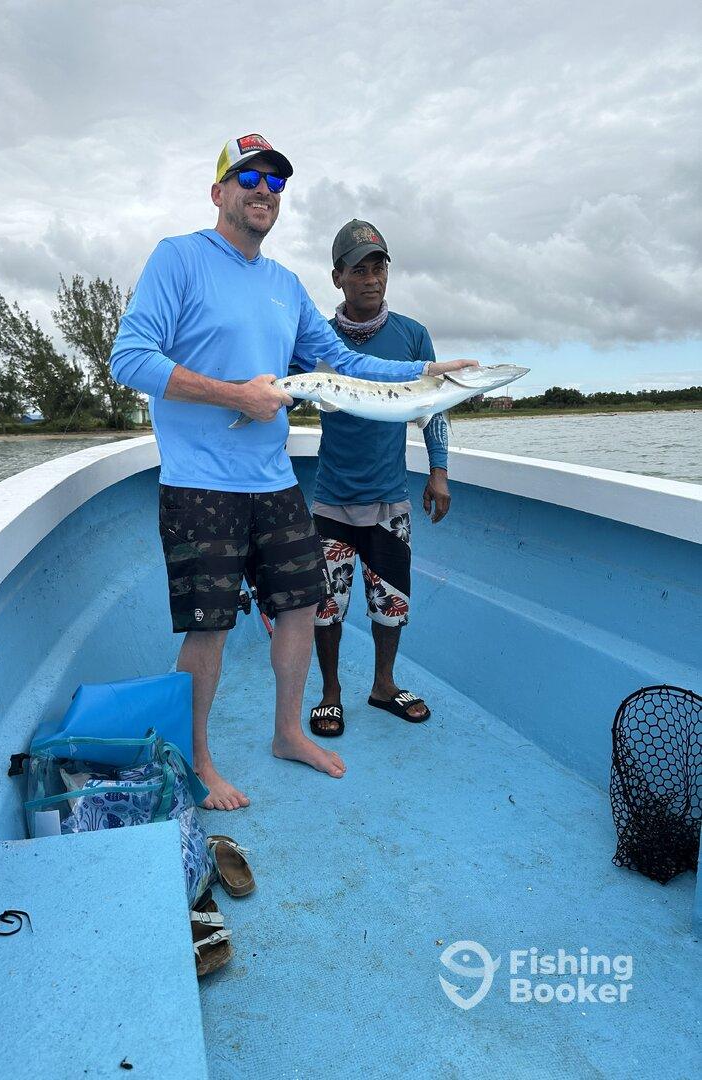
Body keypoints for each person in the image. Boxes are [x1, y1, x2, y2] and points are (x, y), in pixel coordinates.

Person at [109, 135, 476, 810]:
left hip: (274, 482)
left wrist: (424, 372)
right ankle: (201, 761)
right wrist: (235, 395)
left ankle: (286, 733)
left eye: (276, 183)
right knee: (211, 626)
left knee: (301, 607)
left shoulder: (284, 286)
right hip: (201, 484)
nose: (263, 190)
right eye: (248, 176)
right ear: (219, 190)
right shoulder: (180, 258)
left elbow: (342, 363)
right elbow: (128, 359)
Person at [306, 220, 454, 737]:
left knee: (391, 601)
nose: (371, 279)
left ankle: (383, 685)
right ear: (337, 277)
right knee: (326, 605)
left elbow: (434, 407)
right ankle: (329, 692)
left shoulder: (413, 335)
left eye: (379, 267)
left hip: (390, 498)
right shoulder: (317, 335)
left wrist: (438, 471)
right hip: (331, 501)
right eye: (359, 269)